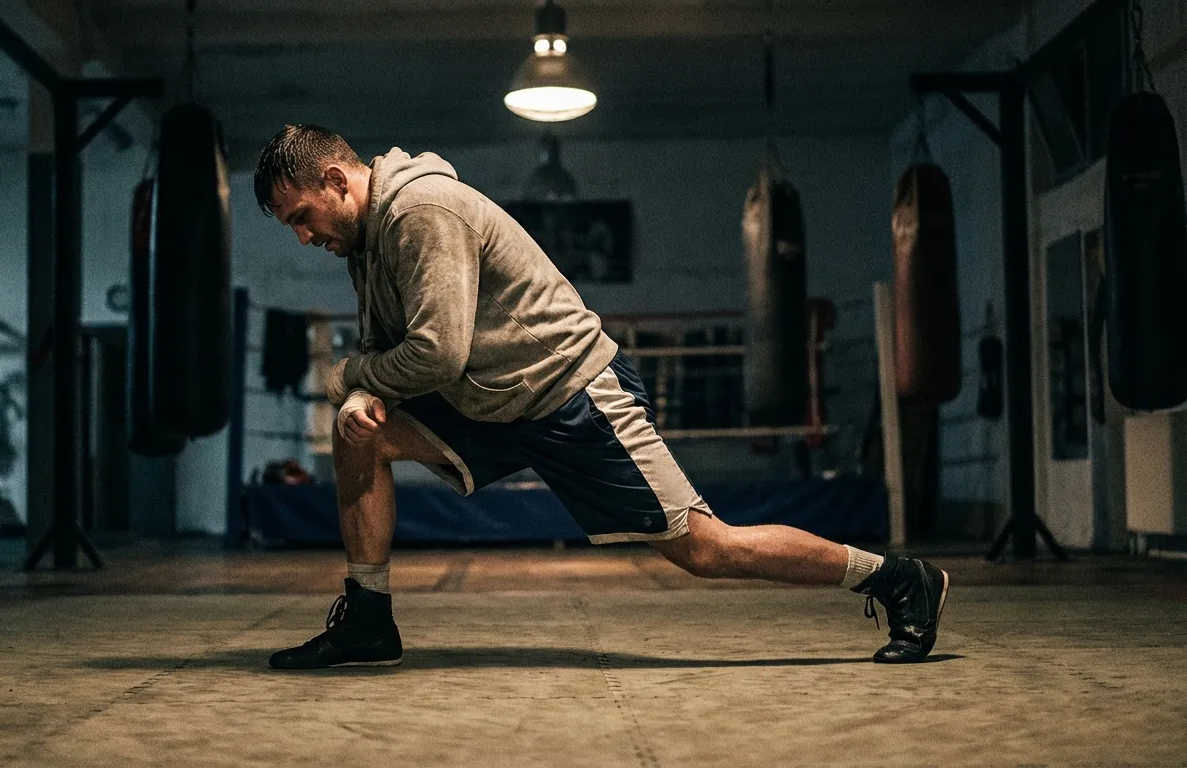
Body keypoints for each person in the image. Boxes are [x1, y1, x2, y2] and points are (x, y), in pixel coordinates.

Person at [253, 124, 949, 670]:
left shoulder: (421, 213)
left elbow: (436, 351)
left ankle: (898, 578)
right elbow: (391, 348)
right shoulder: (363, 243)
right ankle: (369, 616)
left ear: (337, 180)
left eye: (300, 216)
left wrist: (347, 379)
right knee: (359, 431)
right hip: (488, 399)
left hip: (571, 394)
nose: (304, 235)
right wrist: (363, 394)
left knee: (706, 550)